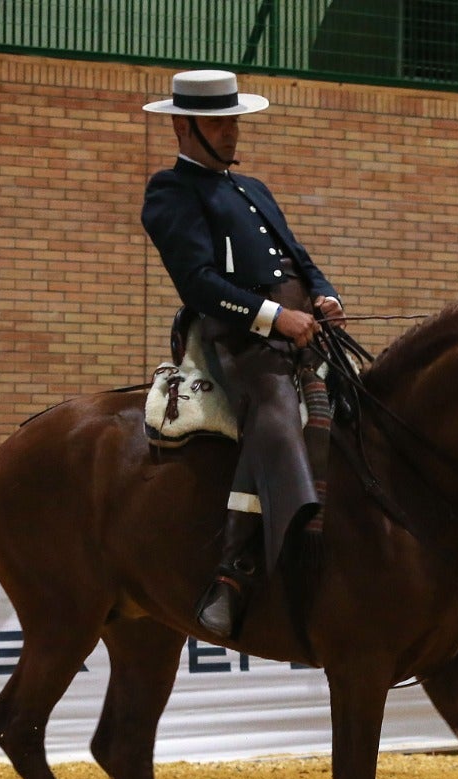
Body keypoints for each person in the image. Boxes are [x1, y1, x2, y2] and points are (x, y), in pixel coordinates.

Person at [142, 69, 345, 639]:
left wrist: (325, 294)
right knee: (274, 414)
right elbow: (198, 282)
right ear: (183, 128)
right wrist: (275, 316)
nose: (231, 132)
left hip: (304, 327)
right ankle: (240, 570)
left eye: (233, 121)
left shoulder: (253, 188)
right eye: (217, 124)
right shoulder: (169, 190)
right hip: (236, 336)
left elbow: (298, 257)